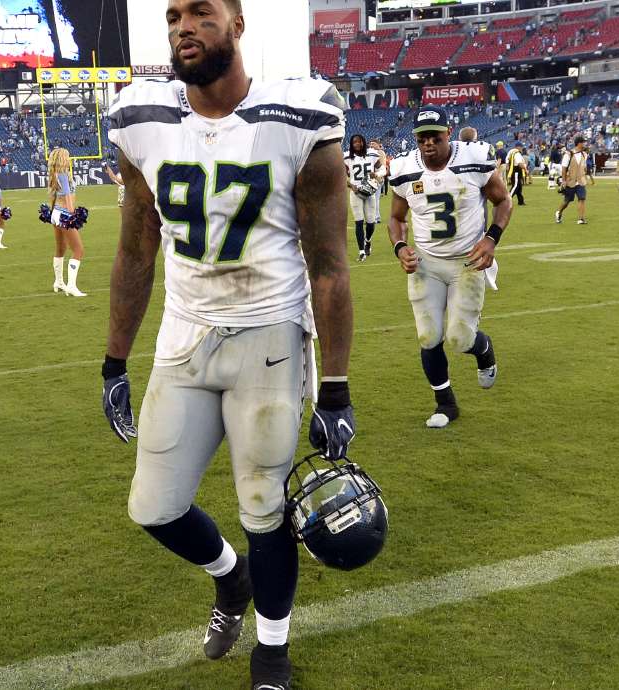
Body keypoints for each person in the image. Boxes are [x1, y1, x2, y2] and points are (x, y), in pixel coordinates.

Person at [102, 1, 354, 687]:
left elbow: (330, 264)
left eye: (203, 13)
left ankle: (272, 648)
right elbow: (134, 250)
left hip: (269, 333)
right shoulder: (141, 119)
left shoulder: (299, 116)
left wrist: (335, 386)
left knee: (263, 503)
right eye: (174, 16)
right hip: (185, 335)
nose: (186, 27)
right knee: (153, 507)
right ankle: (230, 577)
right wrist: (113, 361)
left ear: (238, 25)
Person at [387, 107, 511, 428]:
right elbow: (396, 218)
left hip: (468, 261)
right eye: (422, 138)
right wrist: (400, 247)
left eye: (435, 137)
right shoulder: (404, 169)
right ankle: (445, 403)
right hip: (426, 264)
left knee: (459, 339)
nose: (429, 143)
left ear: (449, 133)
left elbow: (503, 201)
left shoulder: (474, 158)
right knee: (429, 336)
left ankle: (483, 349)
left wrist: (491, 238)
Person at [47, 148, 86, 296]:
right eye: (67, 157)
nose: (69, 159)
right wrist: (73, 216)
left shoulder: (54, 174)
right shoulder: (63, 174)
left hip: (55, 213)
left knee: (61, 248)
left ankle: (58, 282)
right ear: (63, 159)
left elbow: (55, 198)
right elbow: (68, 199)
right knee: (78, 250)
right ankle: (71, 286)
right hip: (64, 214)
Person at [344, 133, 383, 261]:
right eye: (354, 142)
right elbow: (340, 176)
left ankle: (368, 241)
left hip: (369, 192)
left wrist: (376, 174)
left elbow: (383, 168)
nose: (357, 144)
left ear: (363, 142)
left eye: (359, 141)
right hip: (356, 193)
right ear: (351, 144)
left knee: (371, 223)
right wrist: (351, 185)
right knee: (359, 222)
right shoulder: (347, 157)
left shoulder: (371, 154)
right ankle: (361, 251)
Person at [555, 137, 589, 225]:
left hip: (581, 181)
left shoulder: (584, 154)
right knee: (567, 201)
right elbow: (564, 169)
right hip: (570, 181)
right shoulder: (568, 154)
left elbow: (583, 167)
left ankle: (581, 219)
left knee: (582, 199)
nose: (585, 144)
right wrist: (563, 181)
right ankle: (559, 212)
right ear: (579, 143)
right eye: (584, 143)